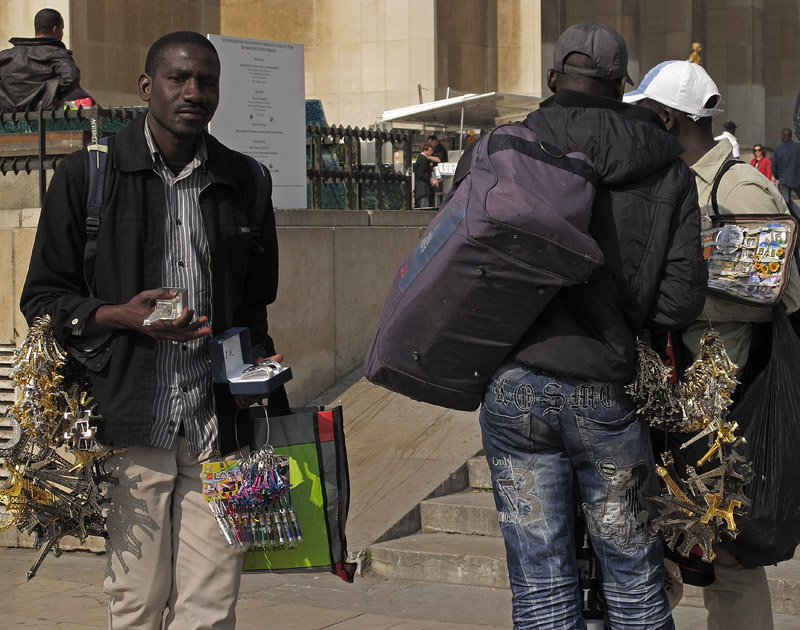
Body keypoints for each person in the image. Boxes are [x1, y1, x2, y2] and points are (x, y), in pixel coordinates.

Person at [20, 31, 285, 629]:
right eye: (178, 79)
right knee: (136, 603)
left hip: (222, 427)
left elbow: (257, 304)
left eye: (207, 81)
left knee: (212, 607)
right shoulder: (89, 176)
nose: (194, 92)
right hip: (129, 420)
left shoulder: (247, 182)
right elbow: (41, 300)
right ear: (147, 87)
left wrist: (261, 365)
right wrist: (119, 315)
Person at [476, 23, 707, 629]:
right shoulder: (668, 169)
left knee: (540, 581)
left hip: (517, 384)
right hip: (606, 385)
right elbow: (679, 303)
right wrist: (622, 310)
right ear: (622, 86)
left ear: (553, 79)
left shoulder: (507, 145)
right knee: (633, 574)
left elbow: (463, 264)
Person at [626, 58, 800, 630]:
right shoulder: (668, 182)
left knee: (729, 560)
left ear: (670, 119)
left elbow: (781, 290)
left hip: (725, 402)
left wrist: (680, 298)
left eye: (646, 117)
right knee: (671, 550)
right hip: (671, 397)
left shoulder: (741, 185)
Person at [0, 8, 83, 111]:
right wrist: (51, 96)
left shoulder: (6, 55)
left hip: (9, 121)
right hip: (44, 120)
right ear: (55, 29)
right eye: (62, 29)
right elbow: (72, 76)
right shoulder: (56, 54)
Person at [771, 127, 800, 206]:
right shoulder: (798, 147)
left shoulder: (778, 149)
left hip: (784, 179)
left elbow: (773, 166)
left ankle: (788, 217)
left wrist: (777, 176)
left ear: (783, 136)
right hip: (798, 178)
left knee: (785, 203)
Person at [413, 143, 437, 208]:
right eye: (430, 151)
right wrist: (431, 179)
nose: (431, 152)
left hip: (422, 187)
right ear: (425, 150)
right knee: (424, 206)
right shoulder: (423, 159)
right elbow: (421, 173)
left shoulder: (422, 158)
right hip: (423, 187)